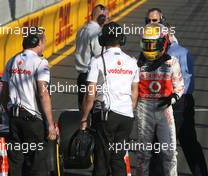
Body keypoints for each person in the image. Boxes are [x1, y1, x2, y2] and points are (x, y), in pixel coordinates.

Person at [146, 8, 208, 176]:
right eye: (149, 21)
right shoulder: (171, 51)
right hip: (169, 101)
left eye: (155, 21)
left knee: (179, 143)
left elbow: (187, 81)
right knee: (170, 145)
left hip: (177, 102)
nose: (152, 24)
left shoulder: (176, 53)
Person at [80, 22, 139, 176]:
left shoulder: (97, 61)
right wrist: (129, 110)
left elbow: (90, 93)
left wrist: (84, 118)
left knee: (102, 159)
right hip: (126, 117)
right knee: (118, 159)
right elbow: (135, 92)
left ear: (102, 40)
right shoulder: (132, 62)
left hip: (107, 116)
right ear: (122, 39)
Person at [0, 27, 57, 176]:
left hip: (14, 119)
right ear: (38, 42)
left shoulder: (11, 61)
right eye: (44, 42)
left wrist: (10, 113)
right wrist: (50, 124)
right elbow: (43, 94)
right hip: (32, 120)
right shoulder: (40, 63)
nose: (44, 46)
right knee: (37, 165)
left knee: (16, 163)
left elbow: (3, 94)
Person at [136, 23, 184, 176]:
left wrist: (172, 99)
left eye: (153, 44)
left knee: (169, 152)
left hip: (165, 110)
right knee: (143, 154)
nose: (149, 48)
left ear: (164, 42)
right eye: (146, 44)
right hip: (144, 108)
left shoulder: (172, 62)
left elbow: (179, 87)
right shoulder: (135, 63)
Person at [168, 34, 208, 176]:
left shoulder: (171, 54)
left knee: (164, 146)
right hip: (184, 100)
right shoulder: (183, 52)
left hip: (175, 101)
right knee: (190, 143)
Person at [74, 4, 109, 108]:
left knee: (82, 109)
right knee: (93, 111)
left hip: (81, 76)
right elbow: (100, 56)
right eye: (107, 17)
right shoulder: (97, 33)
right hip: (91, 78)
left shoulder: (81, 30)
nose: (108, 20)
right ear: (102, 17)